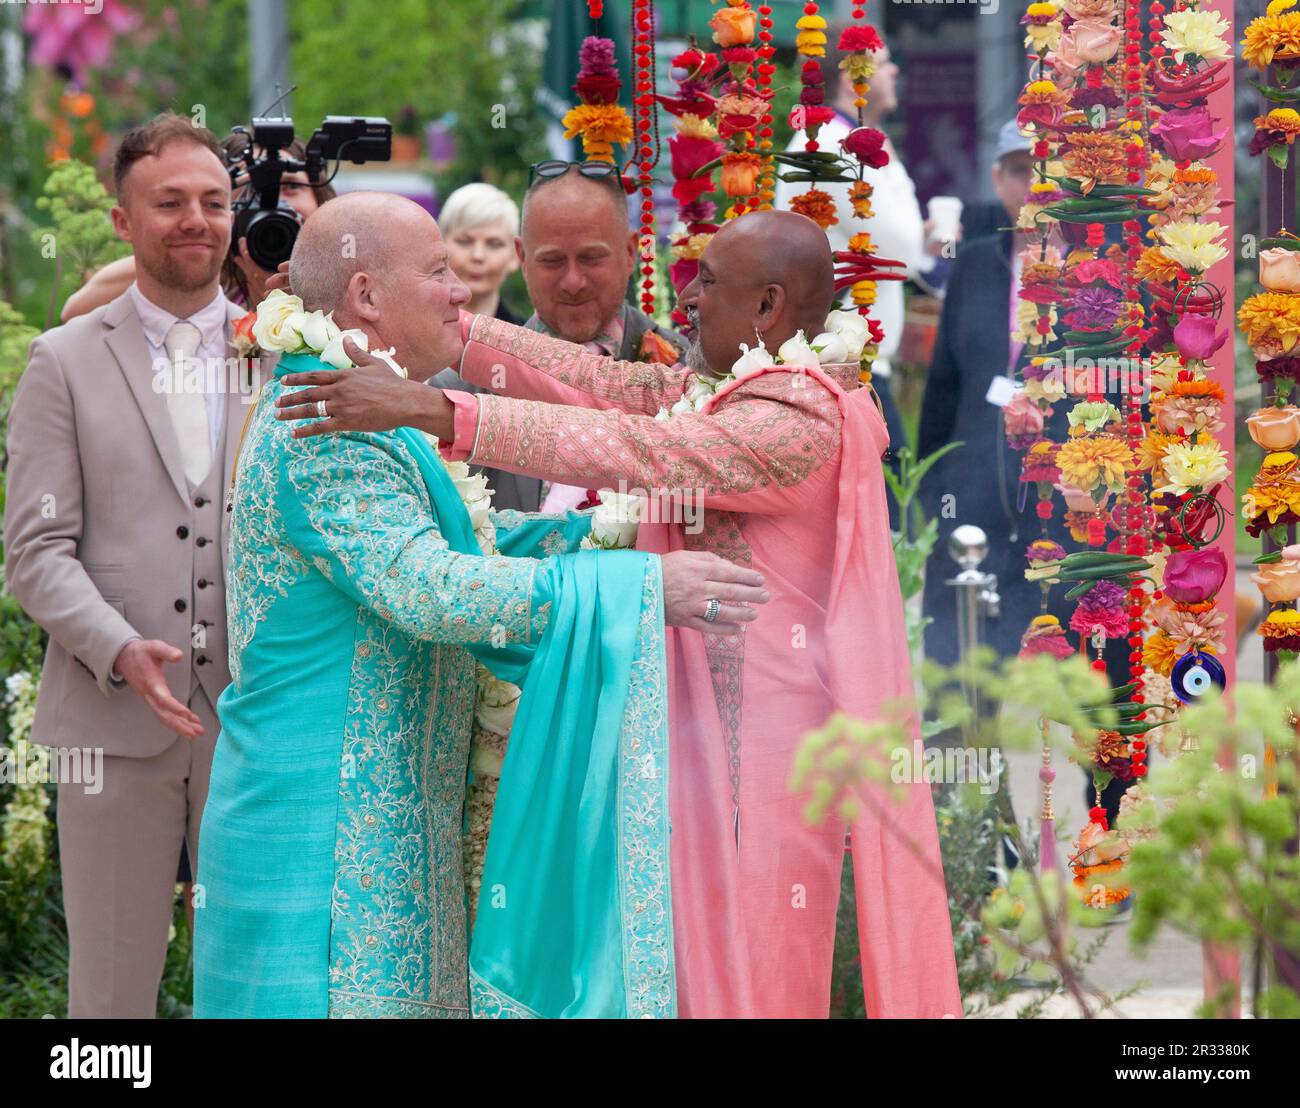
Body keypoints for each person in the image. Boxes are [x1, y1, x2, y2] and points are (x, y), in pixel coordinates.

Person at [274, 208, 962, 1018]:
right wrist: (455, 334)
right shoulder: (739, 385)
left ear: (770, 307)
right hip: (692, 742)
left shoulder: (797, 421)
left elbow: (649, 451)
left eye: (707, 282)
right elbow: (621, 388)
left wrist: (436, 410)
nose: (689, 300)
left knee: (753, 966)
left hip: (762, 764)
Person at [193, 191, 768, 1019]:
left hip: (390, 822)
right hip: (320, 845)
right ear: (365, 298)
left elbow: (478, 540)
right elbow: (429, 587)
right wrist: (641, 591)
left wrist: (621, 540)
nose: (462, 291)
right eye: (437, 272)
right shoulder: (323, 420)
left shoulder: (369, 408)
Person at [4, 112, 251, 1017]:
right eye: (170, 202)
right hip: (110, 725)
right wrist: (117, 648)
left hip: (255, 722)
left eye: (214, 202)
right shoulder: (62, 362)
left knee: (262, 984)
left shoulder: (287, 352)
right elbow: (35, 549)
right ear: (122, 221)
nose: (196, 220)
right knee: (108, 996)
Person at [915, 119, 1132, 825]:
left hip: (1078, 518)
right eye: (1016, 169)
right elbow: (946, 391)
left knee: (1103, 684)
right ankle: (976, 844)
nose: (1032, 183)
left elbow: (1135, 392)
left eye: (1046, 166)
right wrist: (932, 499)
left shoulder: (1109, 267)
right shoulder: (978, 263)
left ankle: (1110, 839)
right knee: (959, 686)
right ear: (999, 182)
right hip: (977, 515)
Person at [431, 163, 687, 512]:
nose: (573, 281)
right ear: (521, 258)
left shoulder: (689, 372)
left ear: (631, 252)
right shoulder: (461, 386)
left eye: (591, 258)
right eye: (552, 261)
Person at [775, 44, 954, 528]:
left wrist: (922, 243)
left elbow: (898, 244)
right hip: (843, 366)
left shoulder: (852, 139)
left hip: (861, 359)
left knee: (887, 507)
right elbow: (897, 242)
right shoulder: (829, 147)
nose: (895, 69)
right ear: (850, 75)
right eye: (884, 61)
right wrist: (928, 241)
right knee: (888, 513)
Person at [59, 131, 335, 322]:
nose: (272, 202)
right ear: (224, 206)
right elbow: (76, 311)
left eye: (290, 186)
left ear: (320, 199)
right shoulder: (208, 284)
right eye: (250, 190)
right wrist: (205, 251)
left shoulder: (350, 281)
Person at [439, 182, 523, 324]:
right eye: (464, 241)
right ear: (440, 246)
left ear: (515, 256)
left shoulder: (529, 342)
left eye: (494, 244)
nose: (478, 255)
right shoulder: (408, 334)